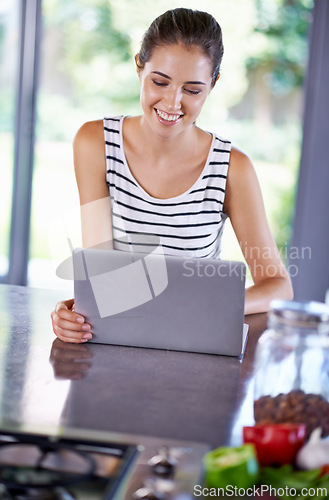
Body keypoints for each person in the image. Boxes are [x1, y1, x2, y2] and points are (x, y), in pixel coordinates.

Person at [51, 8, 293, 343]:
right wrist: (76, 311)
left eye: (192, 90)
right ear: (140, 67)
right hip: (121, 339)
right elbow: (102, 273)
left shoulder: (232, 168)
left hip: (197, 343)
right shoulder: (95, 144)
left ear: (213, 84)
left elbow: (278, 286)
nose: (172, 102)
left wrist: (209, 306)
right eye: (159, 82)